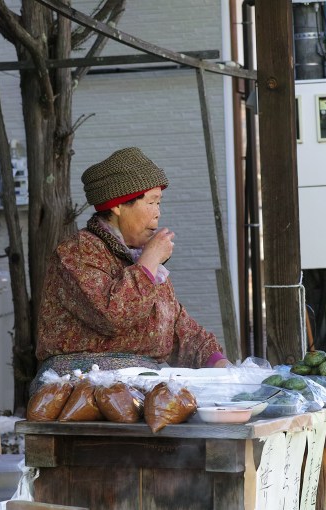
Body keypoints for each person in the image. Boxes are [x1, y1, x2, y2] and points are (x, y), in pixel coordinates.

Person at [33, 146, 229, 387]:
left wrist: (219, 364)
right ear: (118, 206)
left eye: (159, 203)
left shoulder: (140, 258)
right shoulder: (77, 252)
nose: (158, 213)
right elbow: (112, 315)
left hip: (139, 386)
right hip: (78, 389)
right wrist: (149, 262)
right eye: (151, 202)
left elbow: (177, 326)